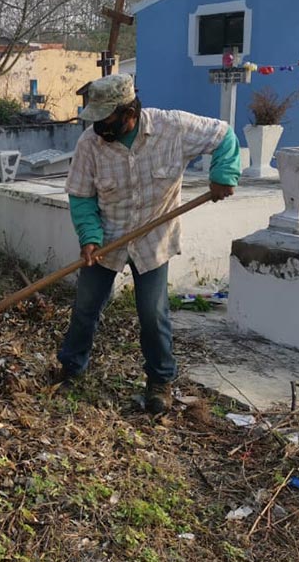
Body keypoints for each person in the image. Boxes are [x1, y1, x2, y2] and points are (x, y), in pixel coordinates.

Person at [56, 74, 241, 414]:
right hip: (108, 239)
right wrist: (90, 237)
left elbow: (223, 135)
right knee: (85, 306)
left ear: (129, 113)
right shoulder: (89, 145)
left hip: (153, 240)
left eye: (105, 120)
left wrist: (223, 175)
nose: (99, 127)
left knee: (153, 314)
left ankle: (160, 381)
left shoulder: (173, 128)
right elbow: (81, 196)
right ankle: (70, 368)